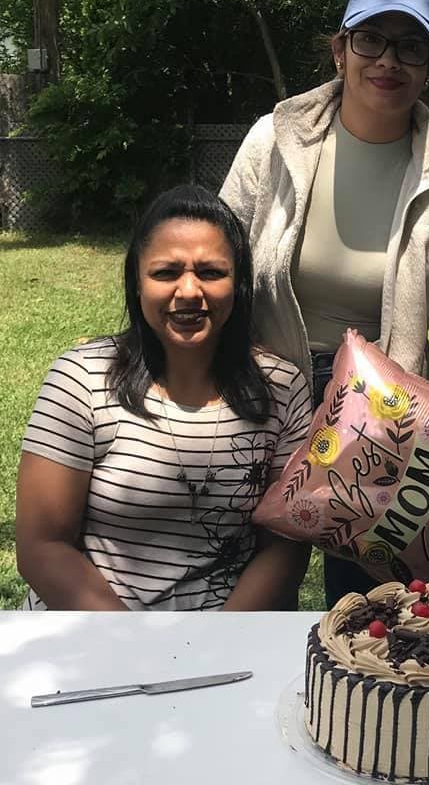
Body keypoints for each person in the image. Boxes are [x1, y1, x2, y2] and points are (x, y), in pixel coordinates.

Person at [219, 0, 429, 606]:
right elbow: (220, 264)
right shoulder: (275, 141)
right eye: (371, 39)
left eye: (411, 47)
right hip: (265, 396)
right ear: (340, 50)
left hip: (381, 423)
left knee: (375, 608)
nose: (388, 60)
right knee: (246, 587)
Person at [16, 185, 312, 610]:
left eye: (211, 272)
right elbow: (42, 546)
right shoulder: (81, 377)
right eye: (166, 272)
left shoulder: (282, 388)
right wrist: (140, 648)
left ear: (239, 283)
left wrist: (214, 647)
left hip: (228, 638)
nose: (189, 290)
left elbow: (285, 546)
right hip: (93, 633)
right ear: (137, 283)